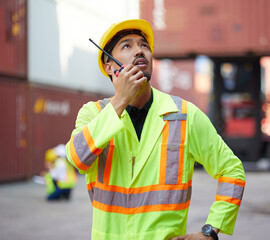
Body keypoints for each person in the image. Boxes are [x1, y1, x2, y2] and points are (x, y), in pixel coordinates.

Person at [65, 19, 245, 240]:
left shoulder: (185, 115)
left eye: (144, 45)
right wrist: (120, 100)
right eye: (127, 46)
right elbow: (77, 159)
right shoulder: (93, 114)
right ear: (109, 66)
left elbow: (232, 171)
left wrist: (210, 231)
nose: (139, 51)